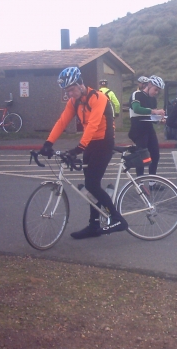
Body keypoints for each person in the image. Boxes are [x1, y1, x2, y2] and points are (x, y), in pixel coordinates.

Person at [39, 67, 128, 239]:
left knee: (93, 184)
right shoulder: (74, 102)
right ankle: (94, 226)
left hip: (104, 142)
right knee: (90, 186)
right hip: (91, 144)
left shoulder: (99, 98)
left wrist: (79, 148)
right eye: (67, 91)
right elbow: (62, 122)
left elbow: (94, 125)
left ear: (80, 84)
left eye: (72, 89)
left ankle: (117, 218)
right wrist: (48, 143)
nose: (70, 94)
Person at [128, 75, 165, 180]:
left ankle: (152, 182)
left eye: (158, 91)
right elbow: (136, 109)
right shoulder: (137, 94)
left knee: (155, 155)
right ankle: (140, 183)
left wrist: (159, 120)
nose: (156, 93)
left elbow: (151, 117)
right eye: (155, 89)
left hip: (149, 129)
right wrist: (154, 111)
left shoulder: (153, 100)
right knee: (142, 157)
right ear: (149, 85)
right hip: (138, 130)